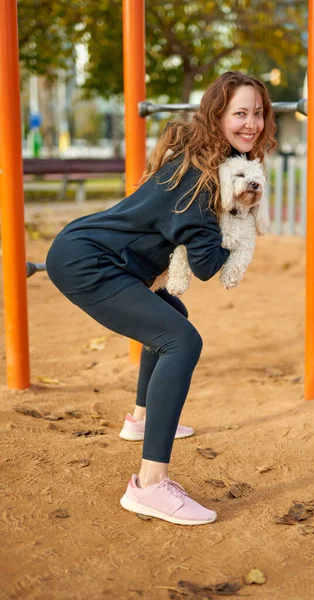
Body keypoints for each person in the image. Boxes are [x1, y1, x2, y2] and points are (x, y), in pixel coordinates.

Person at [46, 71, 277, 526]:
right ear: (217, 116)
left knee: (173, 314)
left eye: (258, 113)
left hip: (102, 255)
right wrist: (240, 226)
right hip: (89, 260)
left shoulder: (214, 164)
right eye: (240, 113)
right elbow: (209, 266)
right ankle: (150, 486)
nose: (251, 123)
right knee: (182, 341)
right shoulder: (200, 179)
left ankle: (140, 420)